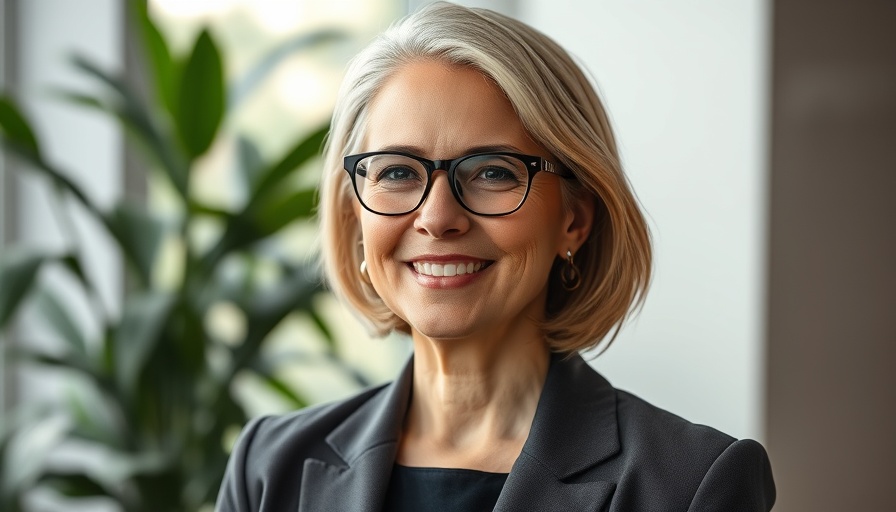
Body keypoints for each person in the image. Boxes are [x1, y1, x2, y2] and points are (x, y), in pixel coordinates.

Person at [215, 2, 776, 511]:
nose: (437, 217)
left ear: (573, 220)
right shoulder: (269, 469)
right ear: (356, 223)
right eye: (397, 172)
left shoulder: (689, 486)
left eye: (492, 172)